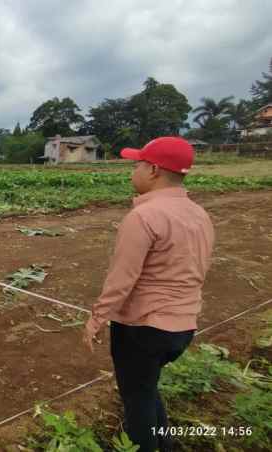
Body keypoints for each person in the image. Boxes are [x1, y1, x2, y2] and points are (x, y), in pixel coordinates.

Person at [82, 137, 215, 452]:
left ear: (154, 170)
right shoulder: (199, 214)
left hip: (143, 329)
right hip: (182, 327)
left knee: (137, 402)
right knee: (145, 388)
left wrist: (96, 318)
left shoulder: (144, 217)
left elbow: (122, 279)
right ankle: (165, 445)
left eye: (137, 164)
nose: (133, 170)